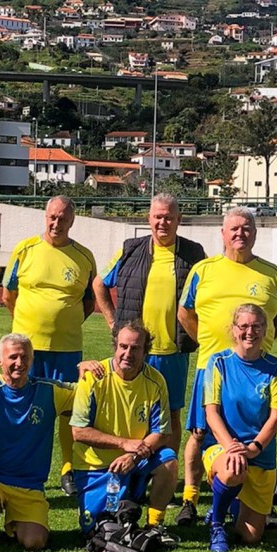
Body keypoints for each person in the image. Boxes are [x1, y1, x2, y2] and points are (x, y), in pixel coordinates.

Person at [176, 207, 277, 525]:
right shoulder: (203, 269)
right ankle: (190, 499)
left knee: (252, 432)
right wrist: (208, 344)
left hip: (256, 371)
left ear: (255, 233)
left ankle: (246, 502)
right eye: (234, 228)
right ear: (223, 234)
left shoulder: (271, 273)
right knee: (200, 435)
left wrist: (258, 346)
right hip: (211, 368)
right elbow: (185, 313)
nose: (240, 233)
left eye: (247, 228)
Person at [93, 193, 206, 460]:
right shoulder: (130, 249)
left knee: (171, 416)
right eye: (157, 217)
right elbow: (99, 284)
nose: (162, 222)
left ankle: (165, 473)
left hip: (173, 352)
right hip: (135, 351)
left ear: (179, 220)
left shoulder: (194, 254)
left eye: (168, 217)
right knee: (132, 412)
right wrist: (113, 322)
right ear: (149, 219)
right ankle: (133, 469)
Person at [2, 195, 97, 496]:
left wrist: (62, 324)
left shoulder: (84, 256)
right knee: (27, 409)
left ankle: (68, 468)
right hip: (28, 350)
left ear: (72, 220)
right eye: (52, 217)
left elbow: (89, 302)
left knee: (69, 411)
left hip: (67, 349)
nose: (56, 223)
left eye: (63, 218)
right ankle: (23, 466)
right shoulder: (25, 249)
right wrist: (32, 325)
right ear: (45, 217)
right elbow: (8, 295)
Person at [0, 334, 79, 552]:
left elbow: (86, 392)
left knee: (34, 542)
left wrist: (91, 368)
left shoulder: (48, 390)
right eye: (12, 357)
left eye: (24, 357)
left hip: (29, 485)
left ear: (32, 359)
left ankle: (15, 520)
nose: (19, 363)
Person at [70, 320, 177, 540]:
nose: (128, 353)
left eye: (135, 348)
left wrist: (133, 455)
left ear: (145, 351)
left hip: (136, 460)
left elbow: (162, 431)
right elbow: (78, 432)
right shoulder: (93, 377)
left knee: (168, 461)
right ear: (115, 347)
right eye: (123, 347)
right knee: (97, 530)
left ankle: (155, 525)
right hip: (96, 467)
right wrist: (123, 444)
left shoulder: (155, 381)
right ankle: (122, 503)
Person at [203, 304, 277, 552]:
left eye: (256, 326)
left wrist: (253, 448)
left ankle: (231, 504)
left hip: (260, 454)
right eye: (244, 326)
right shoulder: (218, 362)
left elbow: (275, 417)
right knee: (232, 468)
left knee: (250, 536)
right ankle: (217, 524)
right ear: (233, 329)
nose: (250, 332)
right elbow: (211, 413)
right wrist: (232, 447)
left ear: (265, 330)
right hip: (224, 448)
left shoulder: (276, 367)